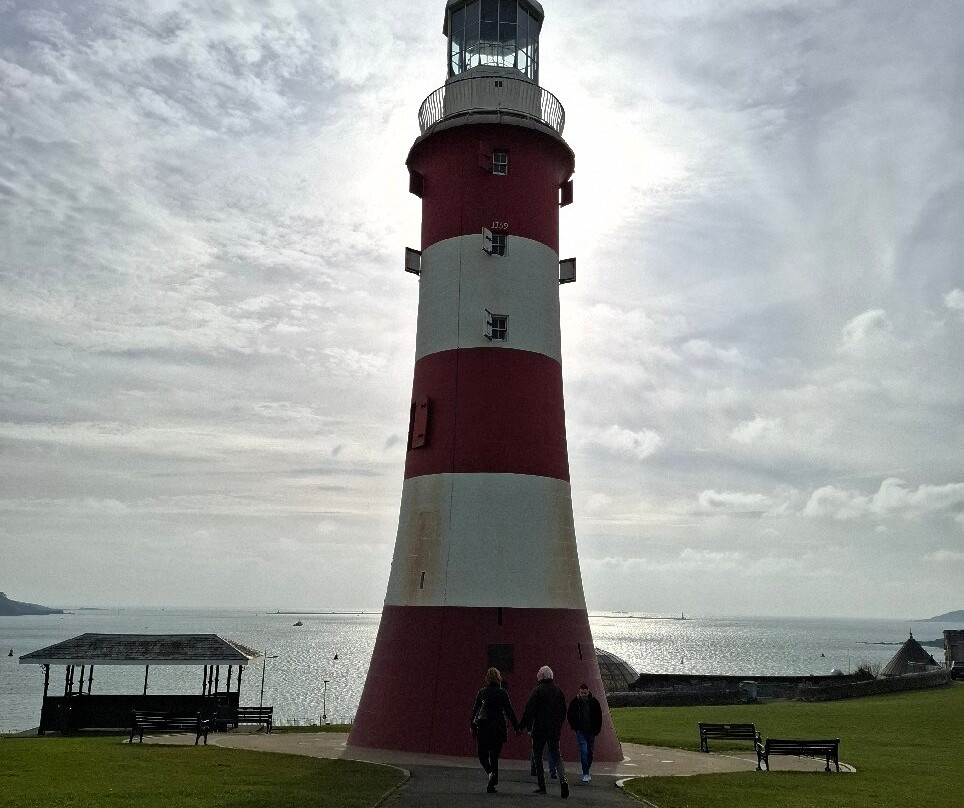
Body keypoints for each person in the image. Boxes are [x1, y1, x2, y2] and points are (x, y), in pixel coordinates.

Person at [520, 665, 569, 798]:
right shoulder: (558, 691)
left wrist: (521, 726)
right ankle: (563, 780)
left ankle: (542, 786)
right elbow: (563, 711)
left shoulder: (538, 691)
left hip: (540, 730)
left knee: (537, 756)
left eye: (538, 674)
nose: (537, 675)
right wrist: (558, 725)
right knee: (557, 756)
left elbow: (528, 710)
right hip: (554, 730)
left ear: (542, 676)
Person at [469, 667, 520, 794]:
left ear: (487, 678)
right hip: (498, 728)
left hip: (484, 728)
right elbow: (509, 711)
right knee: (494, 757)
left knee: (482, 755)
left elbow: (475, 710)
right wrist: (516, 727)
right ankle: (492, 785)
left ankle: (490, 773)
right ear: (498, 678)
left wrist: (472, 726)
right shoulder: (503, 693)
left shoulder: (482, 692)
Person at [567, 683, 603, 782]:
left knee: (590, 752)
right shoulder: (575, 702)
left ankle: (587, 769)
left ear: (588, 691)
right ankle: (586, 773)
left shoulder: (594, 702)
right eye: (582, 693)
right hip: (580, 731)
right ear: (579, 691)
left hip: (591, 731)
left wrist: (596, 730)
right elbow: (570, 714)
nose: (583, 694)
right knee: (584, 751)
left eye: (585, 693)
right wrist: (575, 727)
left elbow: (599, 717)